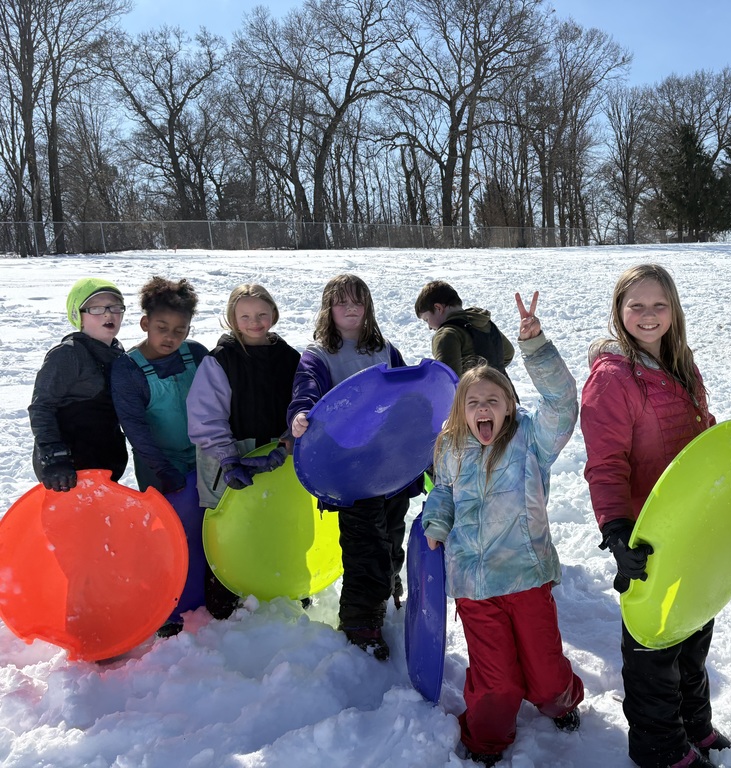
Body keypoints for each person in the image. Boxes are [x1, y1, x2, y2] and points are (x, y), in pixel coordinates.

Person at [422, 291, 584, 767]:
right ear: (461, 410)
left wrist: (535, 347)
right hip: (475, 585)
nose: (484, 408)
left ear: (510, 406)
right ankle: (485, 740)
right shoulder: (449, 449)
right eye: (474, 402)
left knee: (547, 676)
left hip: (526, 576)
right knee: (498, 682)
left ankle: (561, 702)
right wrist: (436, 522)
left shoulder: (531, 441)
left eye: (494, 399)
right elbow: (444, 493)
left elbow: (562, 401)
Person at [580, 264, 730, 768]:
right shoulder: (613, 377)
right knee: (653, 643)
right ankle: (660, 747)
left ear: (673, 310)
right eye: (636, 305)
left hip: (692, 525)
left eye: (658, 305)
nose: (648, 315)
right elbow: (605, 463)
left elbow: (701, 432)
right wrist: (617, 530)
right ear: (620, 311)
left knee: (694, 629)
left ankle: (693, 724)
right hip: (648, 533)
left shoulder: (681, 363)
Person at [288, 274, 419, 662]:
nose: (350, 309)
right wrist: (300, 415)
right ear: (329, 309)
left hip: (391, 467)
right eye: (341, 302)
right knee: (365, 548)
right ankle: (360, 623)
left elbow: (408, 393)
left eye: (357, 302)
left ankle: (388, 584)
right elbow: (306, 389)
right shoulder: (318, 355)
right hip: (349, 472)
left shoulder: (384, 349)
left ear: (368, 308)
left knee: (392, 535)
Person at [186, 284, 300, 619]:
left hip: (279, 460)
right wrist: (229, 458)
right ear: (232, 318)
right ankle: (225, 603)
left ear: (274, 314)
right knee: (232, 529)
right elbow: (206, 416)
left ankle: (286, 588)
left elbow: (301, 406)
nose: (255, 322)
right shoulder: (219, 360)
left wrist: (286, 442)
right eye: (246, 315)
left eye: (262, 314)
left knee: (278, 521)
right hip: (231, 461)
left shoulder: (289, 358)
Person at [29, 277, 129, 491]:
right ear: (78, 316)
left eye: (115, 307)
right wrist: (54, 456)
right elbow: (41, 406)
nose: (108, 314)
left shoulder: (119, 354)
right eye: (96, 308)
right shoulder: (68, 354)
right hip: (68, 473)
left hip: (105, 466)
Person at [112, 276, 208, 494]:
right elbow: (135, 428)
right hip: (156, 461)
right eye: (161, 328)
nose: (170, 337)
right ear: (145, 323)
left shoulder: (196, 354)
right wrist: (163, 469)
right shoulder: (128, 370)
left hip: (204, 455)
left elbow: (220, 402)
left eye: (179, 330)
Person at [414, 280, 516, 382]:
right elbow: (508, 353)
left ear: (438, 308)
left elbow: (448, 381)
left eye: (427, 319)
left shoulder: (447, 334)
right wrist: (491, 372)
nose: (430, 327)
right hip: (505, 395)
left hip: (473, 396)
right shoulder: (484, 322)